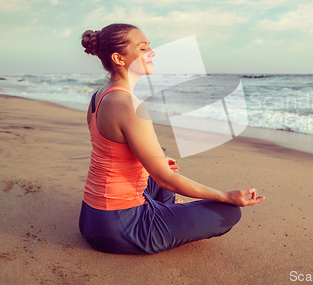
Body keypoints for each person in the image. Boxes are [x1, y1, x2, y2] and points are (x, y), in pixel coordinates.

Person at [79, 23, 264, 255]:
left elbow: (110, 153)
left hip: (90, 218)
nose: (152, 52)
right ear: (119, 58)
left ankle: (168, 214)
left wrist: (153, 165)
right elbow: (166, 180)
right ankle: (167, 217)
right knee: (228, 211)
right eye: (143, 48)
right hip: (120, 229)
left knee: (157, 174)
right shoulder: (129, 105)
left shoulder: (98, 97)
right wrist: (225, 196)